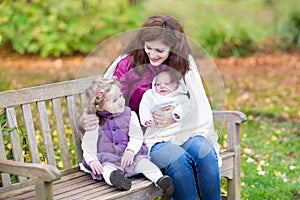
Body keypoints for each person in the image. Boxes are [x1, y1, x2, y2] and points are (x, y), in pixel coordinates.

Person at [80, 14, 221, 200]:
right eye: (149, 48)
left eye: (160, 51)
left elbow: (196, 102)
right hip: (144, 136)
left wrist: (174, 115)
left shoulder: (181, 64)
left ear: (173, 48)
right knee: (177, 161)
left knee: (205, 154)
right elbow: (107, 96)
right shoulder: (128, 65)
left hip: (182, 128)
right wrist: (88, 116)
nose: (153, 55)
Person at [79, 77, 174, 195]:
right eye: (114, 100)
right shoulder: (95, 121)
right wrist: (92, 160)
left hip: (129, 158)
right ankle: (116, 179)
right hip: (109, 159)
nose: (120, 101)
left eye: (120, 96)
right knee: (106, 169)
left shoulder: (129, 114)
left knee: (144, 164)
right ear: (100, 106)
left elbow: (136, 136)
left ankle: (160, 180)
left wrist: (130, 151)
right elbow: (88, 145)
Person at [139, 69, 192, 150]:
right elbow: (144, 107)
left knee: (180, 141)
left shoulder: (179, 96)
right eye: (158, 84)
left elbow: (186, 106)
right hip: (156, 129)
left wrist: (176, 113)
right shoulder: (150, 95)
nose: (162, 86)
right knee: (153, 142)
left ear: (176, 85)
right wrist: (146, 119)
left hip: (175, 129)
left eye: (166, 84)